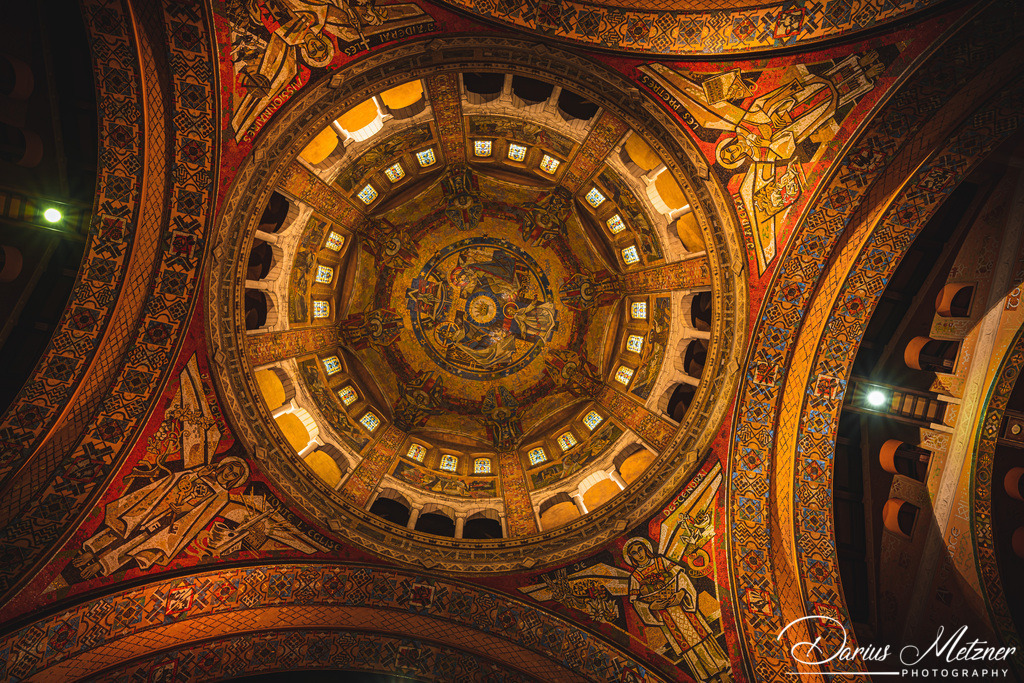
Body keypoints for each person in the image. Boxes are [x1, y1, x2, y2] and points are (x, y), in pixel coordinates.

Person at [624, 537, 731, 681]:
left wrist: (681, 593)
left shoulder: (661, 561)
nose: (639, 554)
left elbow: (681, 577)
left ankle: (723, 672)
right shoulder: (636, 577)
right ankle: (706, 678)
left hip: (683, 607)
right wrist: (652, 606)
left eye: (640, 549)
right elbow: (636, 602)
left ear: (646, 549)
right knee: (687, 647)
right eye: (635, 553)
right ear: (632, 558)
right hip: (666, 616)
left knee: (702, 637)